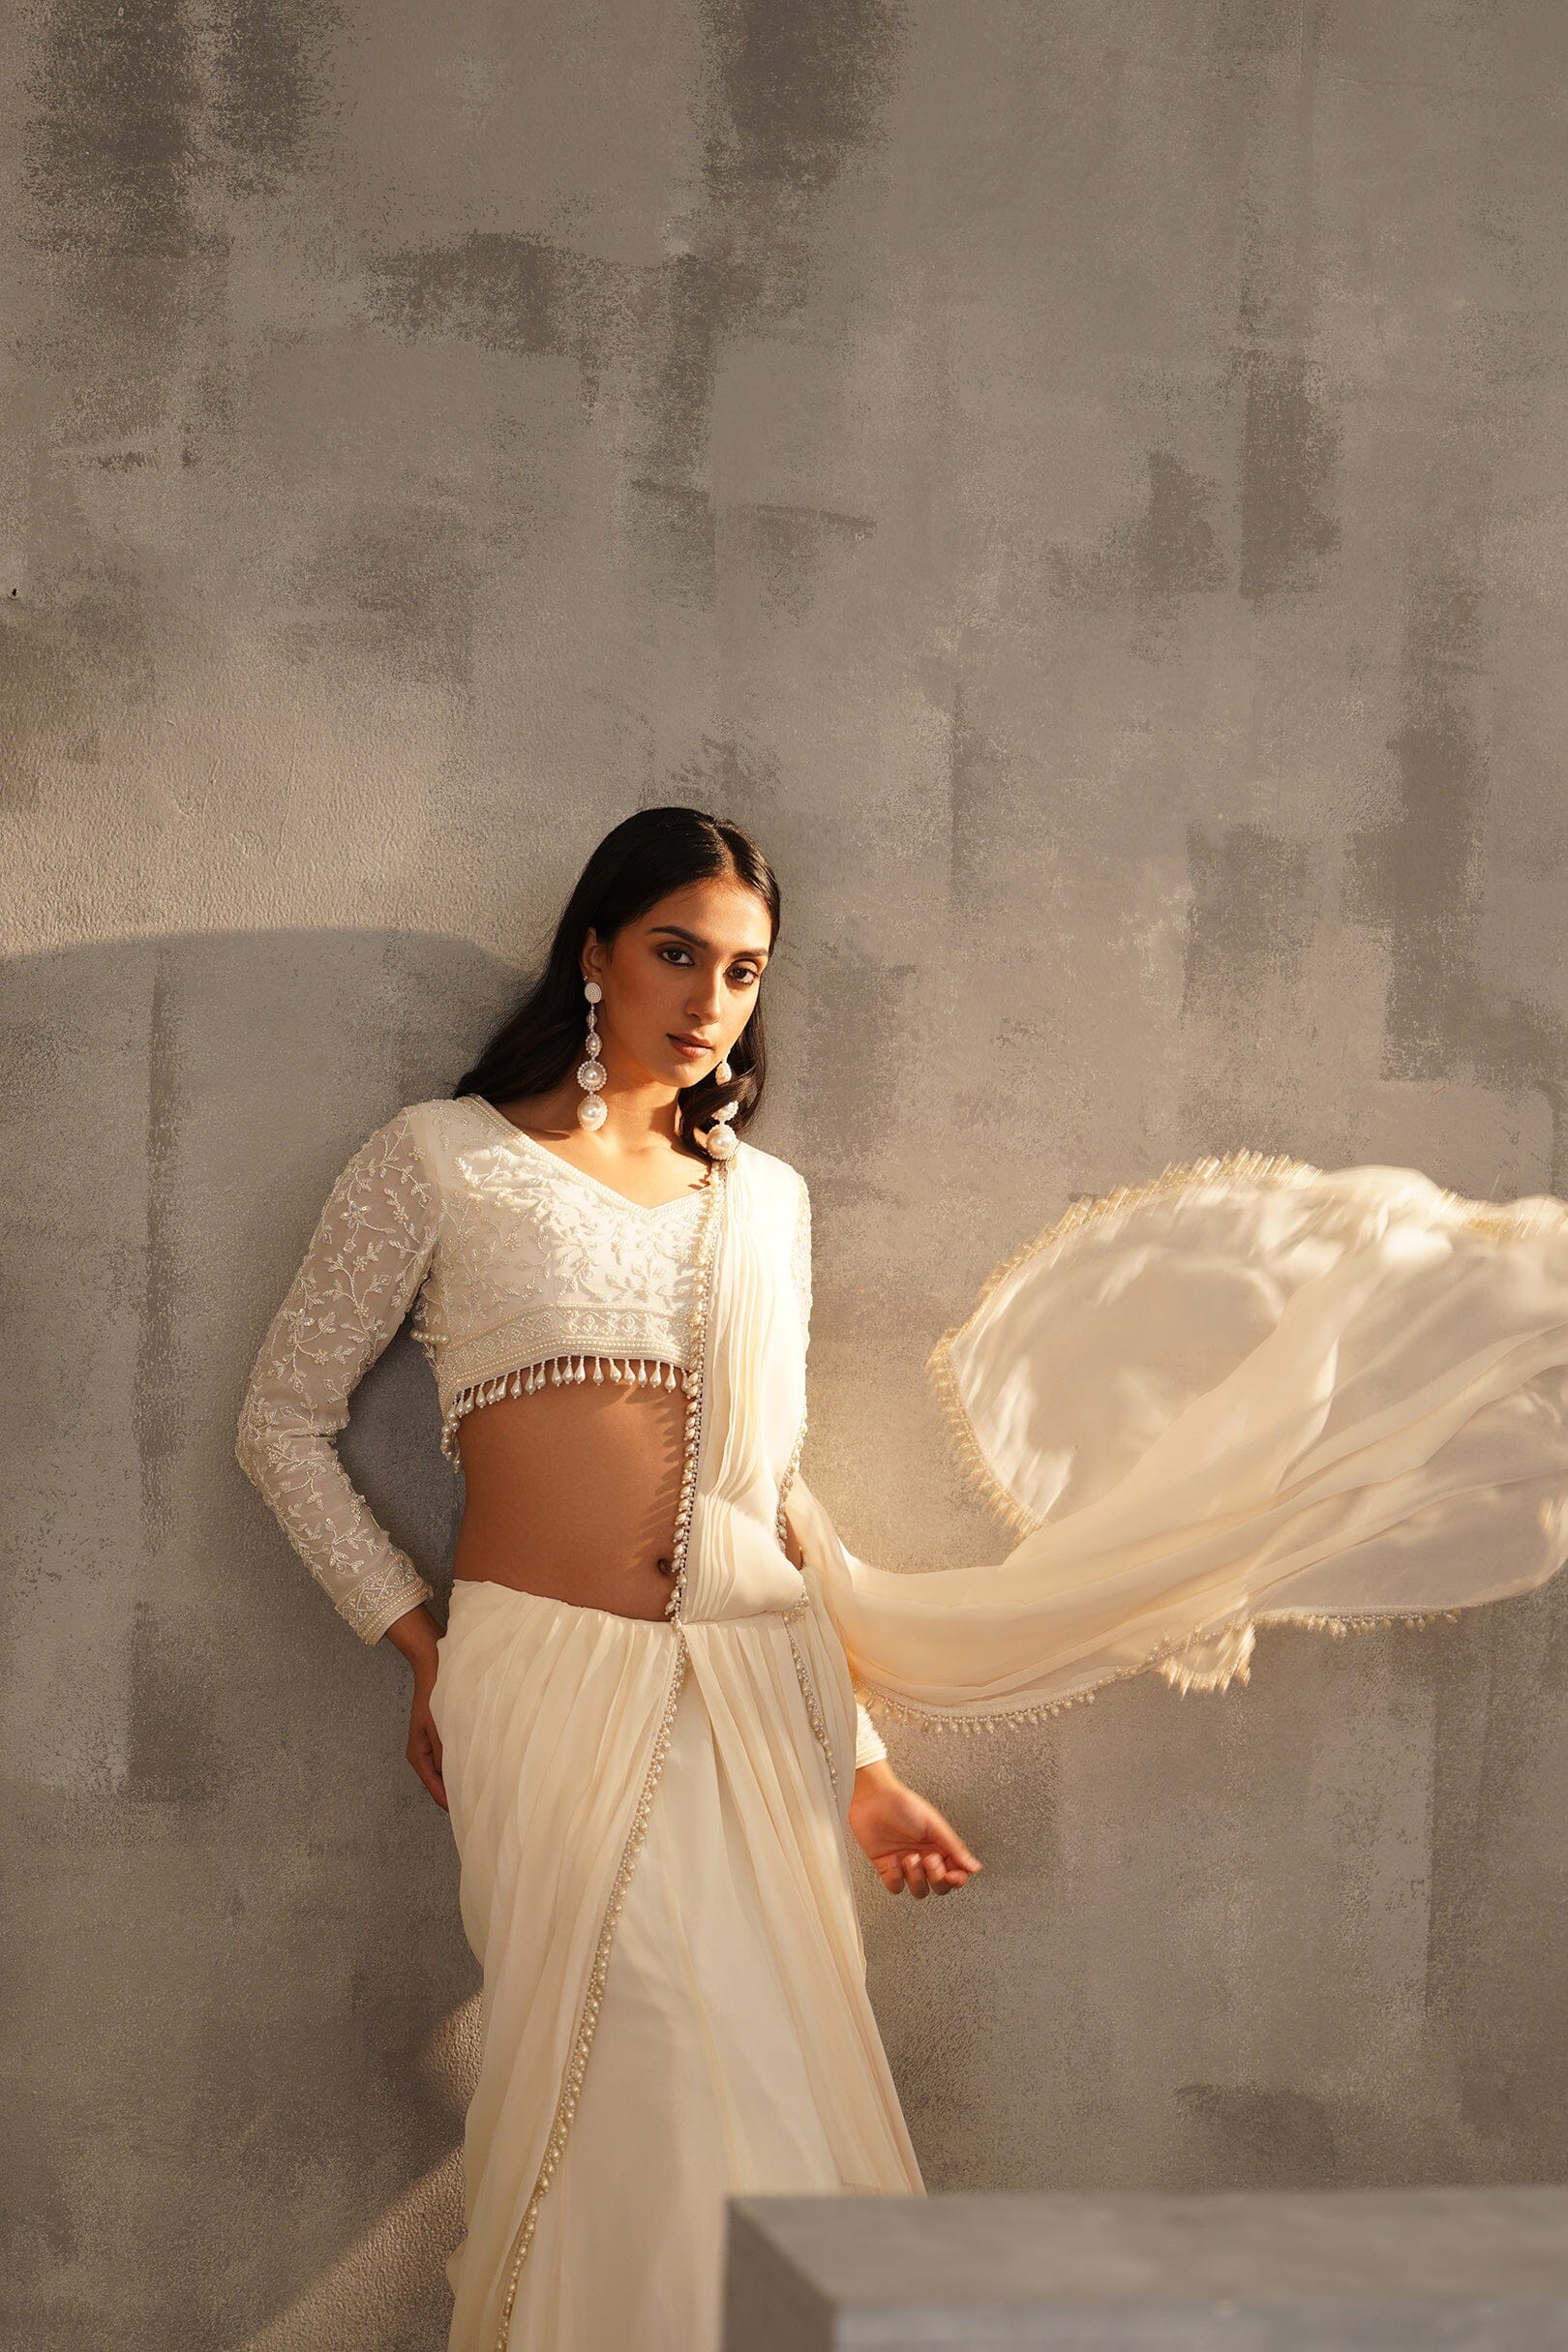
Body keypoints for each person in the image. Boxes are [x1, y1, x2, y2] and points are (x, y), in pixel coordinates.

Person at [236, 805, 1568, 2352]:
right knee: (627, 2057)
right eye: (677, 953)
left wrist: (860, 1767)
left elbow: (770, 1501)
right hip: (541, 1683)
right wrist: (420, 1644)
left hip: (753, 1685)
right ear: (594, 951)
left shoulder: (766, 1200)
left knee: (756, 2096)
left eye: (744, 971)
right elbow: (279, 1421)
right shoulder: (442, 1158)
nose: (710, 999)